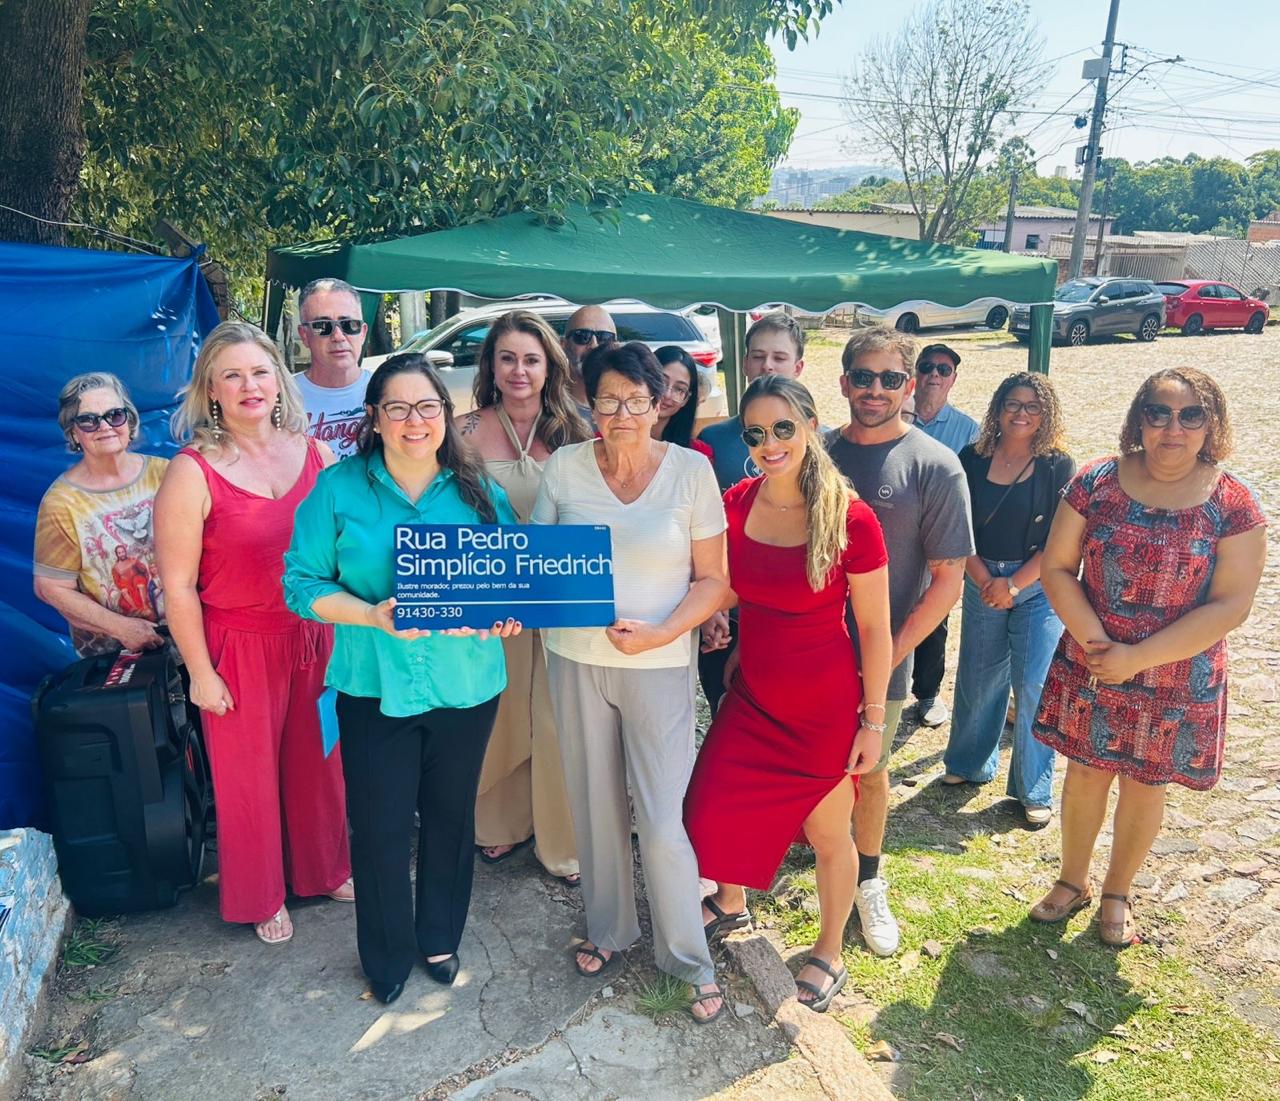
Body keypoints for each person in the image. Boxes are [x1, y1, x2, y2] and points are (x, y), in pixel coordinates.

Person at [284, 353, 521, 1004]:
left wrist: (507, 615)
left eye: (427, 406)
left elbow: (512, 580)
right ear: (374, 416)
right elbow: (301, 584)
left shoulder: (479, 491)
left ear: (445, 413)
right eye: (398, 407)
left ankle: (439, 936)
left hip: (465, 684)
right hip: (371, 685)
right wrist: (369, 614)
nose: (415, 421)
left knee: (450, 817)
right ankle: (385, 954)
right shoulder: (338, 490)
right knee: (379, 826)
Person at [1029, 368, 1265, 946]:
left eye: (1190, 415)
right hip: (1095, 661)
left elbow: (1232, 604)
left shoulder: (1233, 503)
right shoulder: (1095, 482)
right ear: (1140, 419)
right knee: (1085, 773)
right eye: (1159, 412)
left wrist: (1139, 657)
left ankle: (1118, 892)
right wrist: (1098, 645)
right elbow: (1057, 566)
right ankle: (1072, 879)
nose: (1172, 428)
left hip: (1176, 675)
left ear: (1211, 424)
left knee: (1145, 783)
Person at [532, 341, 729, 1023]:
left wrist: (664, 631)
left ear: (659, 403)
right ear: (589, 403)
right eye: (609, 400)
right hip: (576, 658)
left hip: (660, 664)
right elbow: (535, 564)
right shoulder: (564, 467)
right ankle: (611, 928)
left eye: (637, 400)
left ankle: (688, 955)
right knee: (594, 804)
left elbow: (714, 580)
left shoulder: (690, 472)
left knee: (664, 816)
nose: (623, 413)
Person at [684, 376, 891, 1013]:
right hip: (754, 694)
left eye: (783, 428)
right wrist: (712, 615)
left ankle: (830, 951)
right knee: (708, 808)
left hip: (821, 707)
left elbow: (875, 628)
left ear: (810, 426)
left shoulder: (850, 517)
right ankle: (730, 898)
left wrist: (873, 722)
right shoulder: (737, 503)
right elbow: (731, 583)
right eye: (755, 433)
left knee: (829, 835)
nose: (769, 443)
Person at [155, 322, 352, 947]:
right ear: (211, 389)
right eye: (232, 375)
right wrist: (200, 673)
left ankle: (324, 870)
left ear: (279, 379)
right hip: (238, 646)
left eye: (261, 371)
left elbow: (347, 552)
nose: (250, 385)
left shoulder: (317, 454)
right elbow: (178, 587)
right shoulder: (191, 472)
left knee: (320, 764)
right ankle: (261, 893)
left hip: (315, 637)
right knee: (248, 780)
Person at [826, 326, 973, 957]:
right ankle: (809, 855)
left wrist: (891, 650)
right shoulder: (815, 452)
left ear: (909, 386)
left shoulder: (934, 465)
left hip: (881, 658)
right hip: (806, 652)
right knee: (810, 763)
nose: (876, 389)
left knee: (872, 770)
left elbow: (948, 581)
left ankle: (868, 878)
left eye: (890, 379)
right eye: (864, 376)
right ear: (844, 382)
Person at [456, 311, 591, 885]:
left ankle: (564, 838)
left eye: (531, 359)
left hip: (559, 596)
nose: (519, 370)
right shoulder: (461, 432)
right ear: (490, 365)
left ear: (549, 366)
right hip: (493, 596)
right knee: (502, 707)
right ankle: (499, 821)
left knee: (559, 714)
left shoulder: (577, 430)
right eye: (507, 358)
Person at [944, 373, 1075, 827]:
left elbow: (1060, 538)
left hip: (1037, 584)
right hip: (981, 576)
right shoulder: (971, 458)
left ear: (1046, 414)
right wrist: (986, 580)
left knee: (1034, 682)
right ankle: (969, 763)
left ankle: (1033, 788)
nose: (1022, 413)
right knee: (979, 677)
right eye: (1013, 404)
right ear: (998, 409)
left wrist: (1014, 585)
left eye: (1032, 406)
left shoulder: (1057, 465)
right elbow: (956, 526)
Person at [696, 312, 808, 713]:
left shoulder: (817, 441)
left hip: (791, 620)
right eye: (758, 356)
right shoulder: (712, 440)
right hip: (727, 617)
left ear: (798, 367)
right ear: (743, 363)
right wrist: (711, 608)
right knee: (727, 715)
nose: (767, 366)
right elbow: (699, 533)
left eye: (779, 357)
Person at [35, 373, 168, 655]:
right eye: (88, 420)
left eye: (115, 415)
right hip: (114, 657)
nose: (105, 426)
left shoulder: (167, 474)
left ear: (129, 421)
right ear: (73, 432)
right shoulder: (62, 502)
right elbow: (50, 587)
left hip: (192, 639)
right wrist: (121, 628)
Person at [908, 343, 981, 728]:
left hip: (940, 536)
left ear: (953, 379)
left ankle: (928, 693)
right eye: (927, 367)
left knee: (934, 616)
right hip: (897, 532)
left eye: (943, 369)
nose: (934, 374)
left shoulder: (969, 431)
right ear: (914, 375)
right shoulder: (893, 417)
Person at [294, 277, 370, 459]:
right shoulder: (281, 398)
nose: (338, 336)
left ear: (363, 332)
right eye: (322, 326)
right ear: (304, 335)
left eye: (349, 325)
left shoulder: (386, 391)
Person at [652, 345, 712, 458]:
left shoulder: (697, 454)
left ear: (686, 399)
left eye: (679, 389)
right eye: (661, 382)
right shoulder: (617, 440)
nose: (667, 394)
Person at [560, 304, 617, 420]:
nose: (594, 345)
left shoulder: (632, 403)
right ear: (563, 345)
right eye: (583, 336)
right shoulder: (547, 402)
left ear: (615, 346)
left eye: (604, 338)